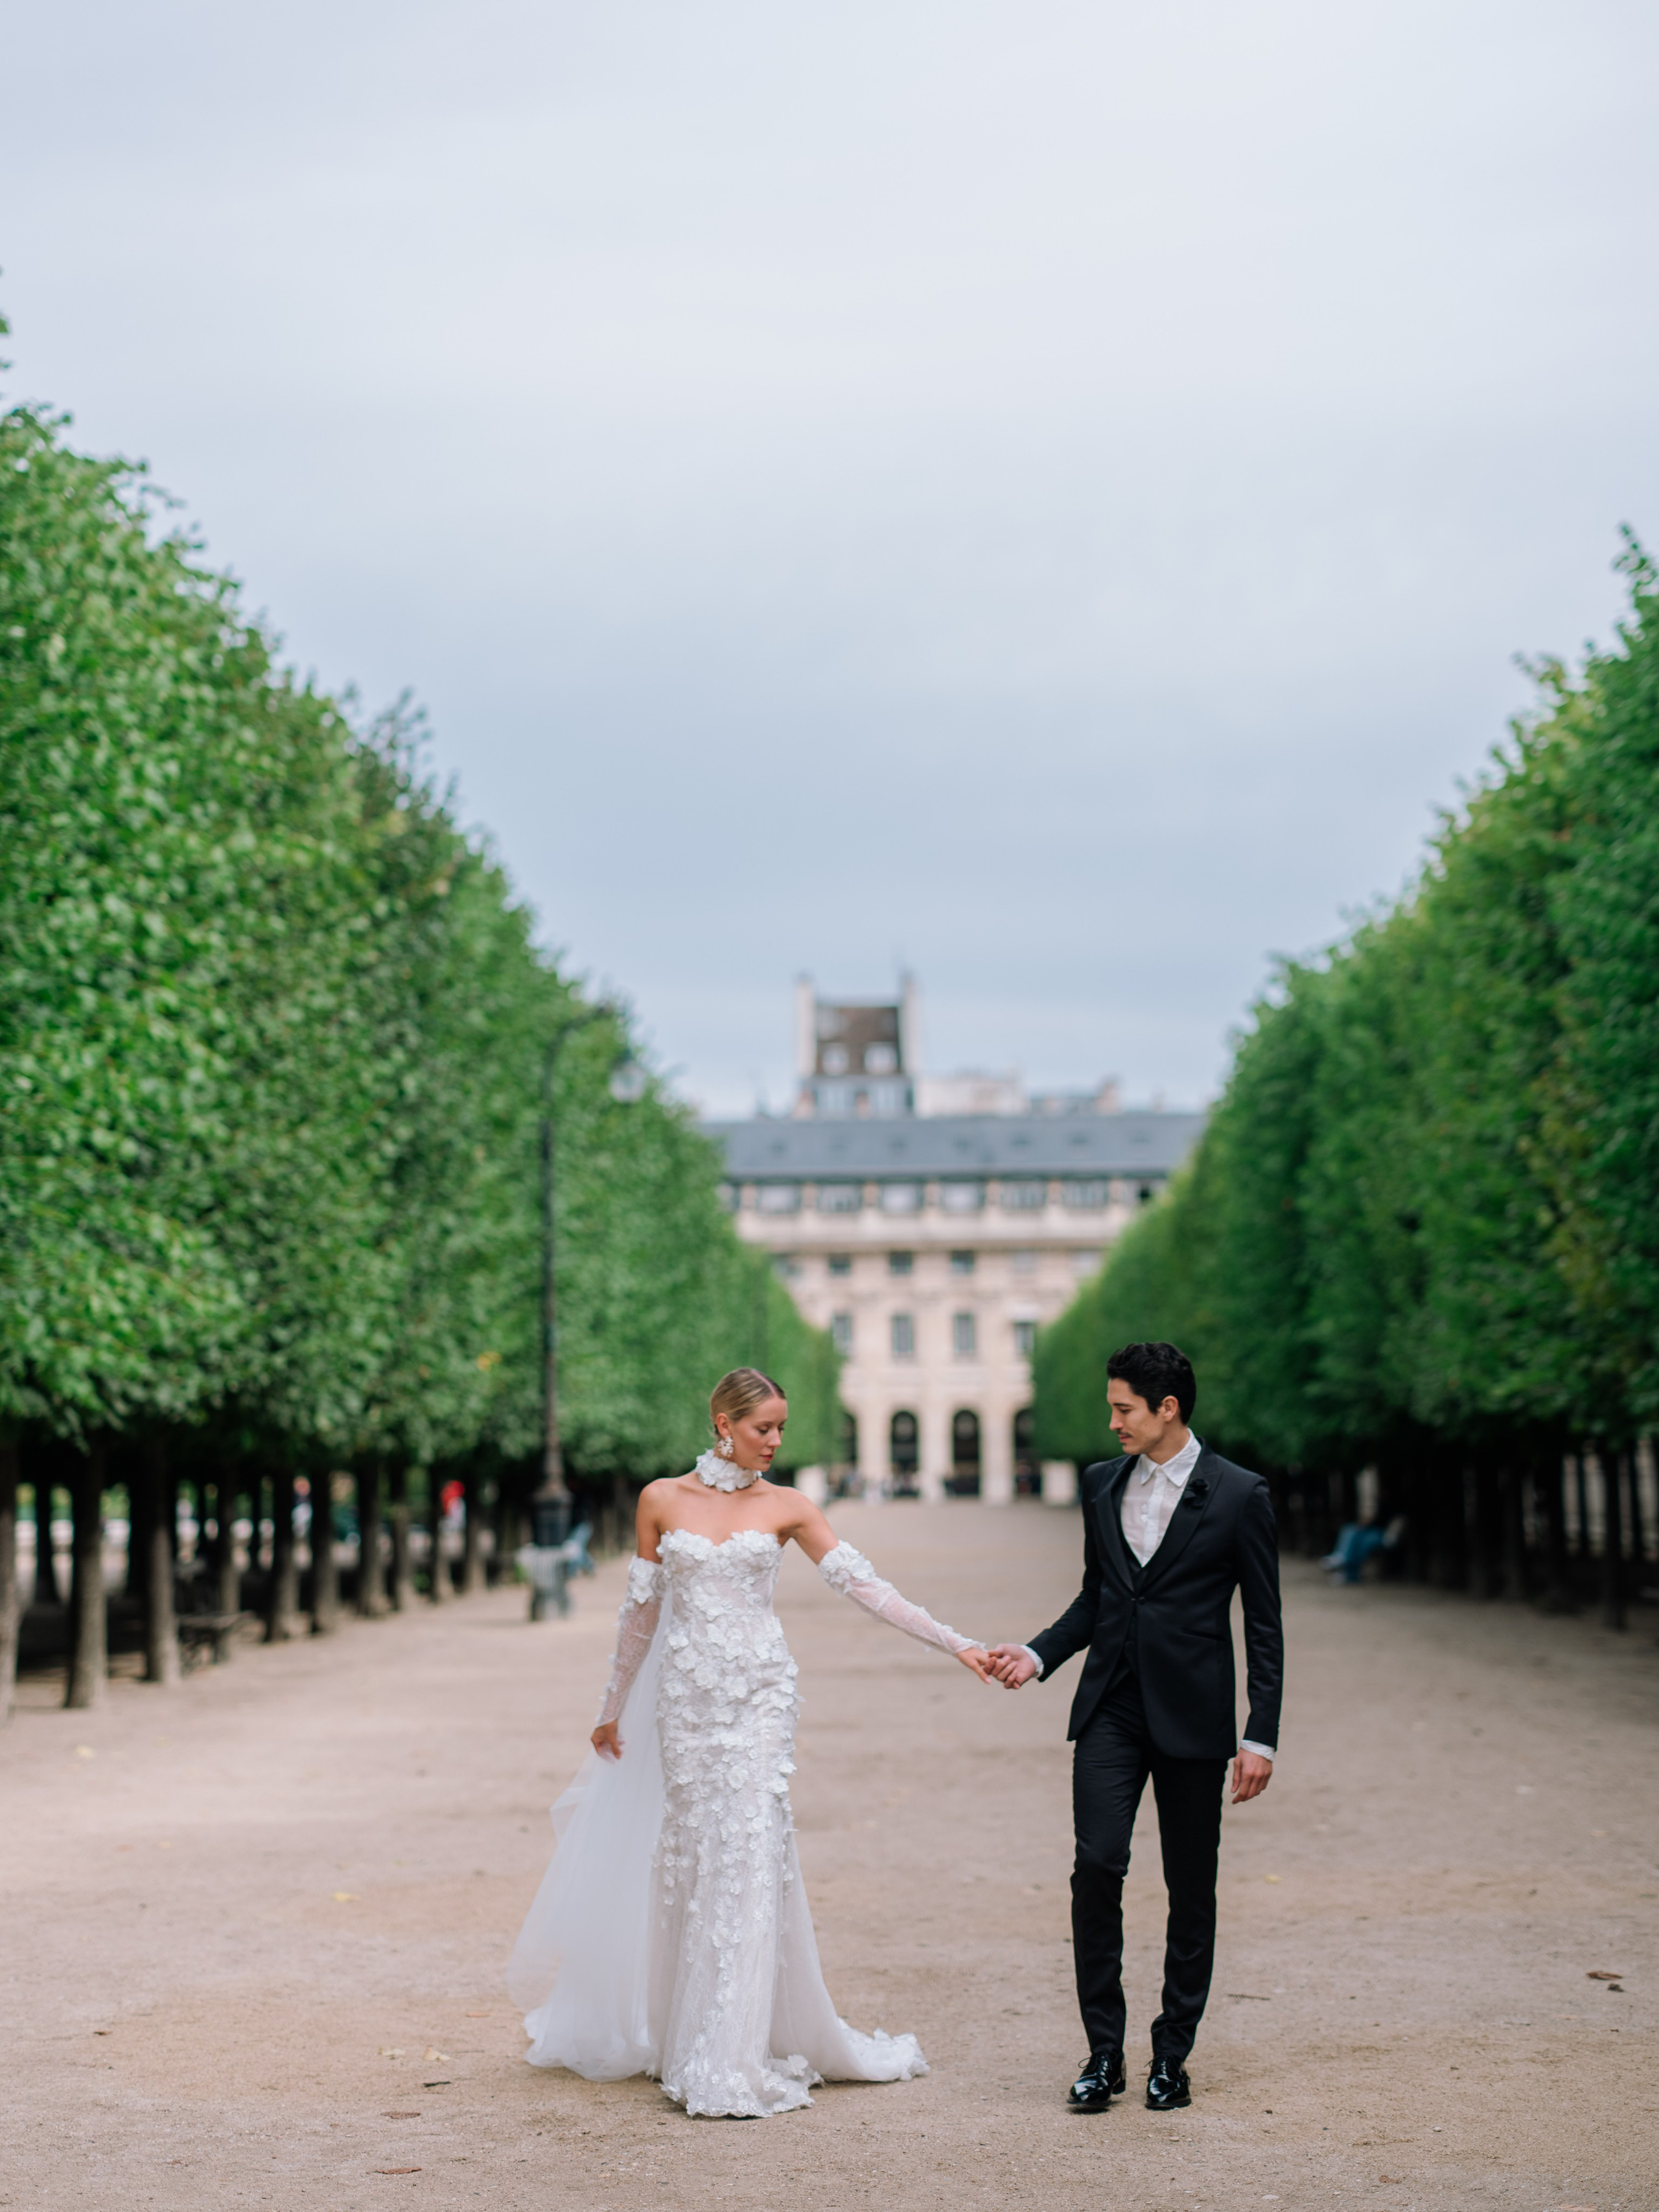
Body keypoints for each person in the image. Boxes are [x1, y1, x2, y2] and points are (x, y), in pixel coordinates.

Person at [508, 1366, 994, 2119]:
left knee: (747, 1852)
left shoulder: (790, 1506)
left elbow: (867, 1586)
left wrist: (955, 1642)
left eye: (780, 1428)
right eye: (762, 1427)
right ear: (722, 1422)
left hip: (762, 1699)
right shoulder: (660, 1499)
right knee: (696, 1857)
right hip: (687, 1703)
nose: (773, 1441)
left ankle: (728, 2054)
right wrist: (611, 1707)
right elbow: (638, 1612)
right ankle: (687, 2037)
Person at [987, 1341, 1282, 2115]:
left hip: (1194, 1717)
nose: (1111, 1420)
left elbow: (1264, 1626)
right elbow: (1097, 1596)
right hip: (1111, 1705)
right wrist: (1037, 1652)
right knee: (1097, 1865)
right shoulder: (1099, 1483)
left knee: (1191, 1888)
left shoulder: (1239, 1493)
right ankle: (1104, 2051)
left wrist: (1261, 1734)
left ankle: (1172, 2054)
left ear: (1167, 1410)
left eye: (1123, 1408)